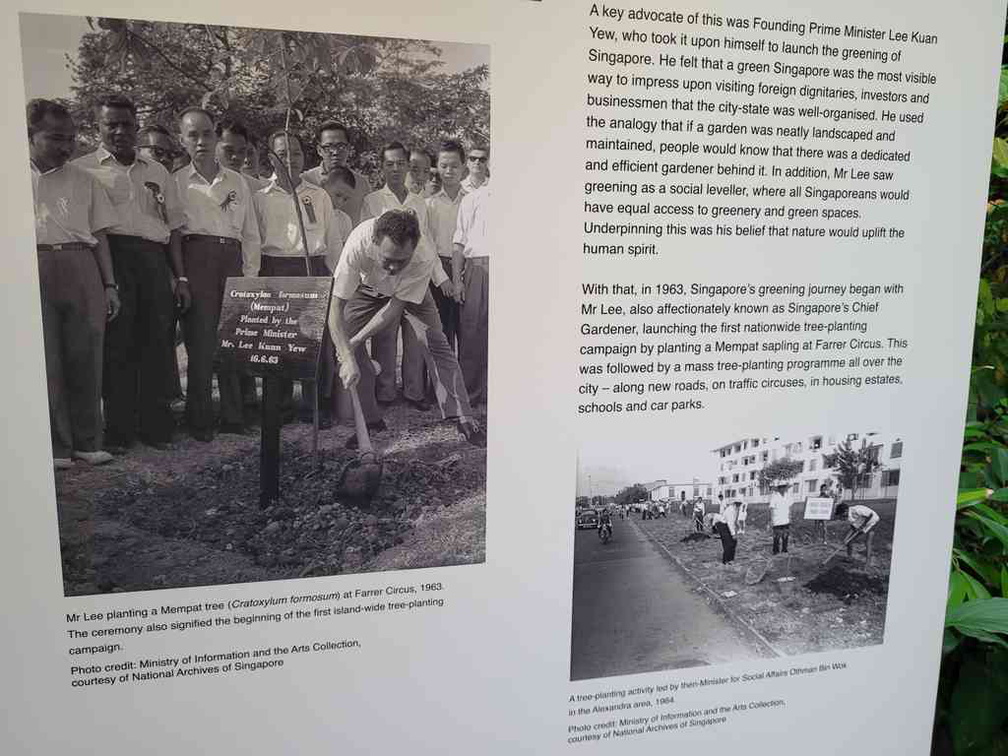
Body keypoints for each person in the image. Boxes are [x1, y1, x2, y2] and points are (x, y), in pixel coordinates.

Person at [74, 94, 189, 452]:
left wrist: (180, 277)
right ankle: (120, 431)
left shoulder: (156, 170)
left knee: (157, 343)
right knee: (119, 345)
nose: (120, 131)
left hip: (154, 259)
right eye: (112, 124)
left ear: (136, 125)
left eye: (126, 124)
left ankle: (156, 428)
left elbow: (173, 228)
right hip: (112, 257)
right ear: (99, 127)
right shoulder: (84, 169)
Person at [326, 209, 484, 447]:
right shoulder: (357, 242)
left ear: (414, 247)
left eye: (401, 261)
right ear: (374, 241)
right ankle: (370, 421)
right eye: (387, 259)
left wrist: (356, 341)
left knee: (437, 345)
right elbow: (335, 310)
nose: (393, 268)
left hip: (409, 296)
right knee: (345, 341)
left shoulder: (424, 255)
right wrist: (348, 353)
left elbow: (392, 310)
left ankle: (464, 417)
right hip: (367, 289)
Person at [29, 99, 120, 468]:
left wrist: (110, 285)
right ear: (30, 135)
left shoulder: (85, 180)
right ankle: (55, 445)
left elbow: (100, 234)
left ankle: (87, 440)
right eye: (55, 138)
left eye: (70, 138)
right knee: (44, 358)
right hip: (32, 263)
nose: (66, 147)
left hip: (81, 263)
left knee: (86, 354)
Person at [174, 107, 261, 440]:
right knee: (201, 343)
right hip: (196, 259)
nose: (201, 141)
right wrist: (180, 276)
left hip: (232, 259)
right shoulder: (178, 182)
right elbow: (174, 236)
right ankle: (200, 419)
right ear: (183, 140)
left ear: (215, 137)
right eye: (193, 135)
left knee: (233, 340)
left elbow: (250, 233)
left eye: (207, 134)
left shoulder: (236, 180)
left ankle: (234, 416)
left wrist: (248, 277)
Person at [254, 130, 351, 427]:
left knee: (316, 343)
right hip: (275, 271)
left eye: (295, 153)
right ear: (271, 158)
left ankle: (315, 407)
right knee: (278, 342)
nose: (290, 159)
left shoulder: (318, 195)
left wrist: (336, 281)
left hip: (312, 269)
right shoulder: (260, 198)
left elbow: (332, 242)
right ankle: (279, 406)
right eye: (282, 154)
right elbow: (253, 240)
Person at [361, 141, 450, 409]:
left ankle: (414, 392)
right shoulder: (373, 200)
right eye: (390, 164)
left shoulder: (417, 202)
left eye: (401, 163)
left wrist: (441, 277)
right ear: (382, 167)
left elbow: (426, 244)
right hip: (385, 278)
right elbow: (369, 243)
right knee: (385, 336)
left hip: (415, 279)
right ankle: (386, 392)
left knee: (415, 336)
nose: (396, 169)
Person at [426, 139, 467, 352]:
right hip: (437, 273)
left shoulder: (471, 201)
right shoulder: (429, 205)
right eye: (444, 166)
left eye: (454, 166)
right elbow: (428, 246)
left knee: (468, 334)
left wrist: (459, 276)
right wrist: (441, 279)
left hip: (466, 271)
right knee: (441, 335)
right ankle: (438, 386)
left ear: (464, 168)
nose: (449, 171)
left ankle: (468, 384)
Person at [453, 182, 489, 406]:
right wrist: (457, 280)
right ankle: (470, 394)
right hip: (479, 267)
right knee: (472, 332)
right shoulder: (474, 198)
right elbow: (458, 243)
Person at [302, 121, 371, 224]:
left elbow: (368, 223)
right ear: (319, 150)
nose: (335, 152)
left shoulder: (362, 184)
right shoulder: (306, 180)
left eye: (341, 146)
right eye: (328, 147)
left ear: (348, 148)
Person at [841, 503, 881, 567]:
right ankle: (849, 558)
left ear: (845, 511)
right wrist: (846, 539)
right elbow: (852, 528)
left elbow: (870, 515)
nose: (842, 517)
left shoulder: (857, 510)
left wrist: (863, 525)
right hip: (862, 522)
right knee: (849, 541)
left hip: (873, 520)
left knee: (868, 542)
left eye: (842, 515)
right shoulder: (849, 516)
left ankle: (868, 562)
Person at [769, 483, 792, 554]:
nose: (783, 489)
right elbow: (772, 509)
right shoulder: (774, 497)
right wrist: (772, 519)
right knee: (777, 536)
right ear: (778, 489)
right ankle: (776, 551)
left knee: (785, 535)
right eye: (781, 487)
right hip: (777, 520)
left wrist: (790, 516)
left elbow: (789, 507)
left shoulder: (787, 497)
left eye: (784, 487)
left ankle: (784, 549)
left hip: (785, 519)